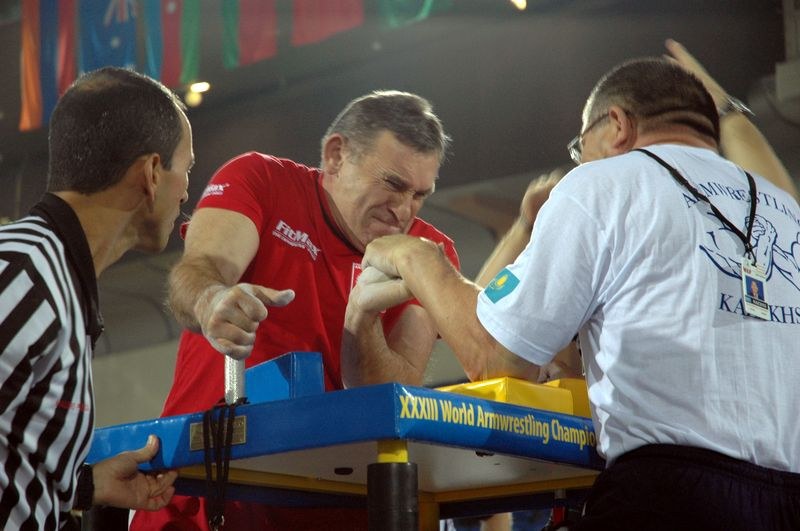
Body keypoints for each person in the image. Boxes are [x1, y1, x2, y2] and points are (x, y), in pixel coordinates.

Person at [360, 51, 800, 530]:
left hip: (671, 498)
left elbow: (498, 358)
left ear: (616, 125)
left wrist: (419, 258)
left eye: (579, 144)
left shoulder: (601, 183)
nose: (578, 158)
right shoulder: (783, 207)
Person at [131, 90, 459, 530]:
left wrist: (363, 315)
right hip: (200, 492)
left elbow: (391, 396)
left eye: (420, 194)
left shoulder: (429, 253)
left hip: (331, 506)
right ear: (337, 155)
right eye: (393, 184)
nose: (403, 210)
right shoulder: (261, 179)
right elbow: (202, 269)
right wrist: (212, 302)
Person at [0, 67, 193, 530]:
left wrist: (81, 485)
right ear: (150, 173)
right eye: (187, 168)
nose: (187, 189)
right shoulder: (26, 272)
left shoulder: (53, 276)